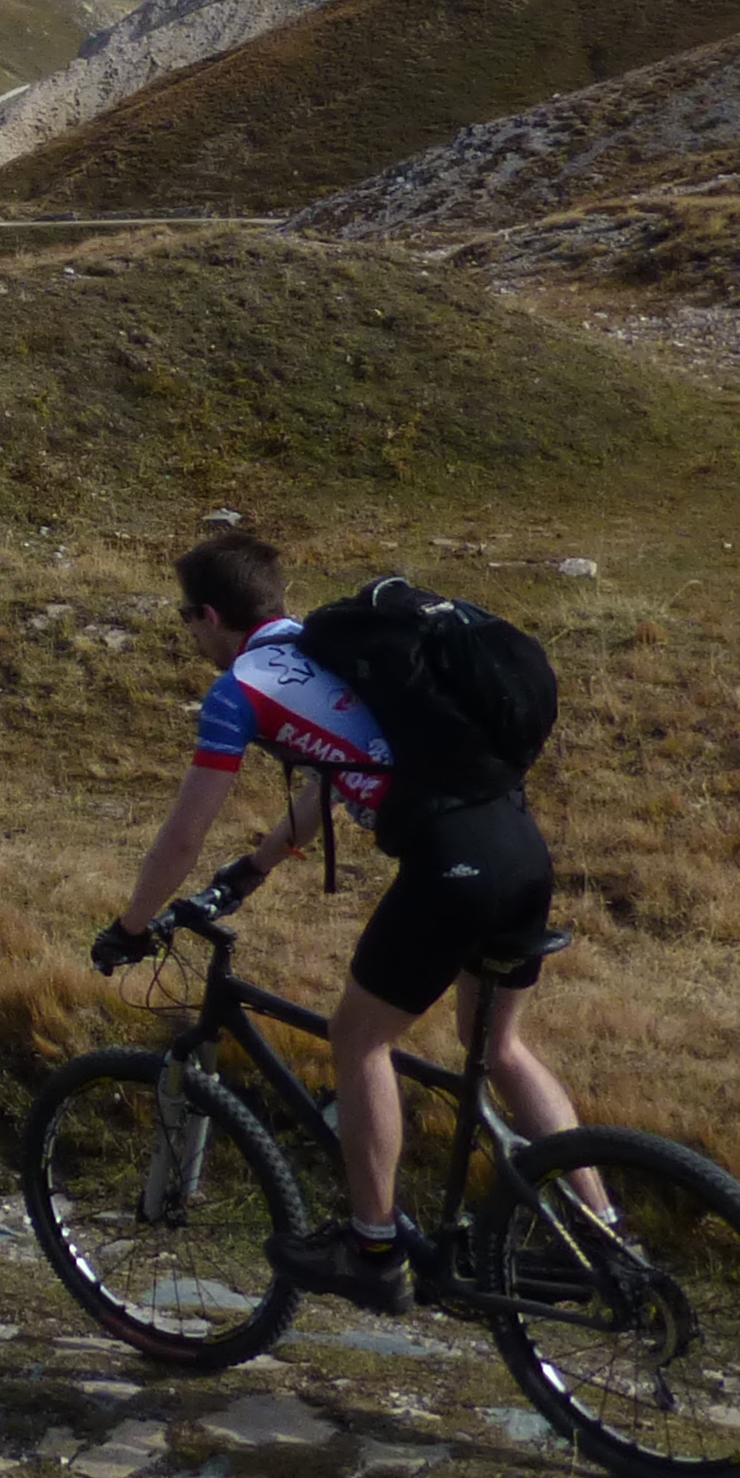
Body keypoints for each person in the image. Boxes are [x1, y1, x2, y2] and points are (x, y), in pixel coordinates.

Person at [93, 529, 596, 1310]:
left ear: (212, 616)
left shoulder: (240, 690)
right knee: (497, 1045)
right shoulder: (346, 648)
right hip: (519, 849)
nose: (187, 633)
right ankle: (599, 1236)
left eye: (185, 617)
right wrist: (255, 867)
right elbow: (341, 769)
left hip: (451, 866)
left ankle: (372, 1247)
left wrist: (131, 925)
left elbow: (183, 831)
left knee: (358, 1036)